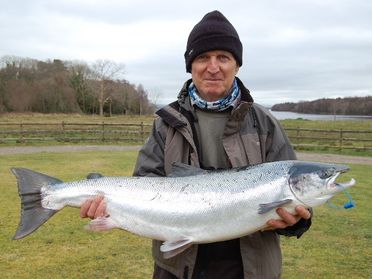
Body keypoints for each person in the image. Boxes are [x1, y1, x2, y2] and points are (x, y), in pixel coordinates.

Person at [80, 10, 312, 279]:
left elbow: (299, 202)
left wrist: (296, 222)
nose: (213, 67)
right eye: (203, 57)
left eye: (223, 57)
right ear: (190, 65)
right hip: (177, 269)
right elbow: (143, 183)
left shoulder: (265, 123)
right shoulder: (166, 123)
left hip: (249, 270)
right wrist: (111, 207)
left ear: (236, 65)